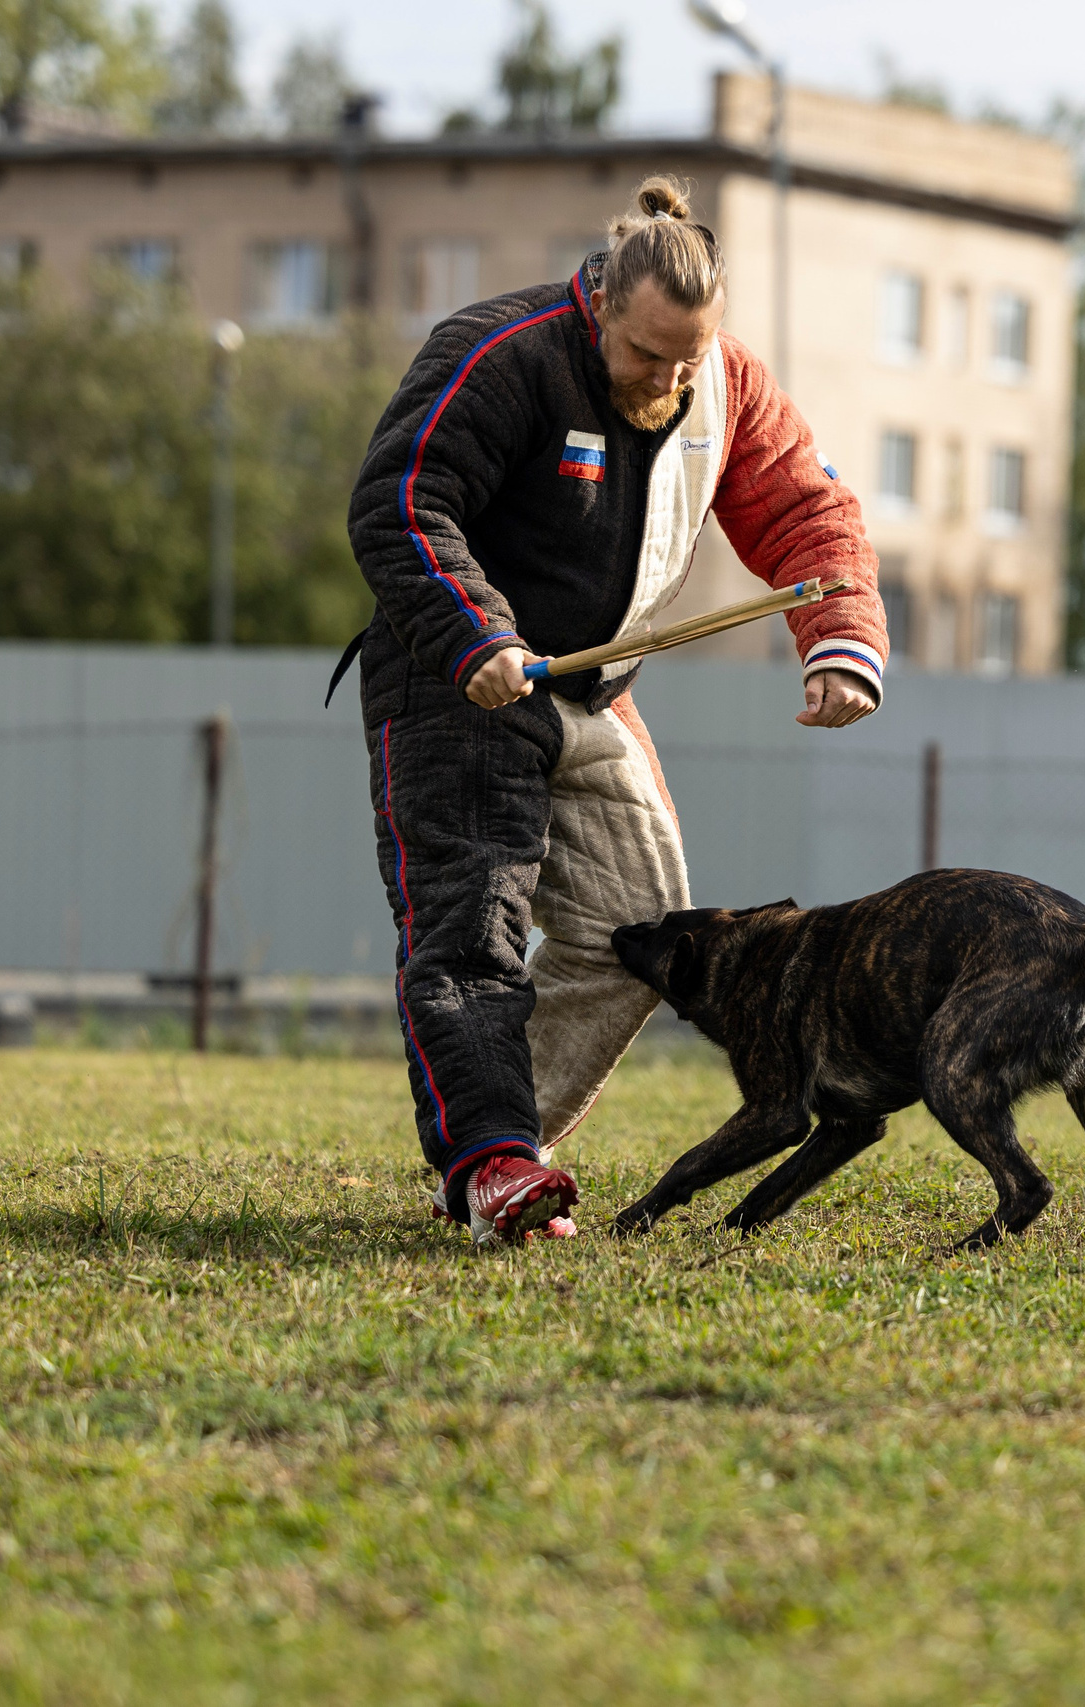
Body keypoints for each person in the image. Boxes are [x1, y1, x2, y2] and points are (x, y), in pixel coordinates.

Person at [344, 175, 886, 1245]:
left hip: (593, 696)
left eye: (689, 358)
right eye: (646, 357)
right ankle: (491, 1164)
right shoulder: (502, 354)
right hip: (459, 683)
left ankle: (494, 1157)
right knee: (471, 927)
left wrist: (840, 646)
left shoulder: (724, 382)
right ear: (599, 307)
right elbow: (402, 501)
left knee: (638, 937)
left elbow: (807, 509)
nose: (670, 379)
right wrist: (479, 634)